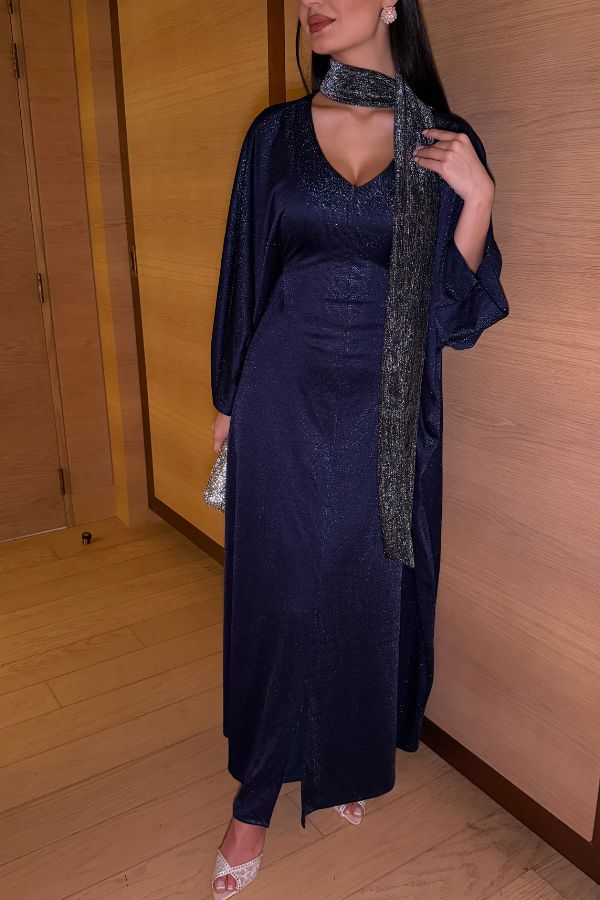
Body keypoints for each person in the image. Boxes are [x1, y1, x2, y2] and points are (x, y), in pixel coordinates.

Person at [209, 1, 509, 896]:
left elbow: (450, 316)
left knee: (361, 588)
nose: (315, 2)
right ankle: (254, 799)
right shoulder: (275, 136)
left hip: (386, 408)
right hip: (281, 391)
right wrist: (227, 404)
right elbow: (244, 273)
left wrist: (479, 198)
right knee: (280, 593)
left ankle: (343, 761)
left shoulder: (442, 140)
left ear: (390, 3)